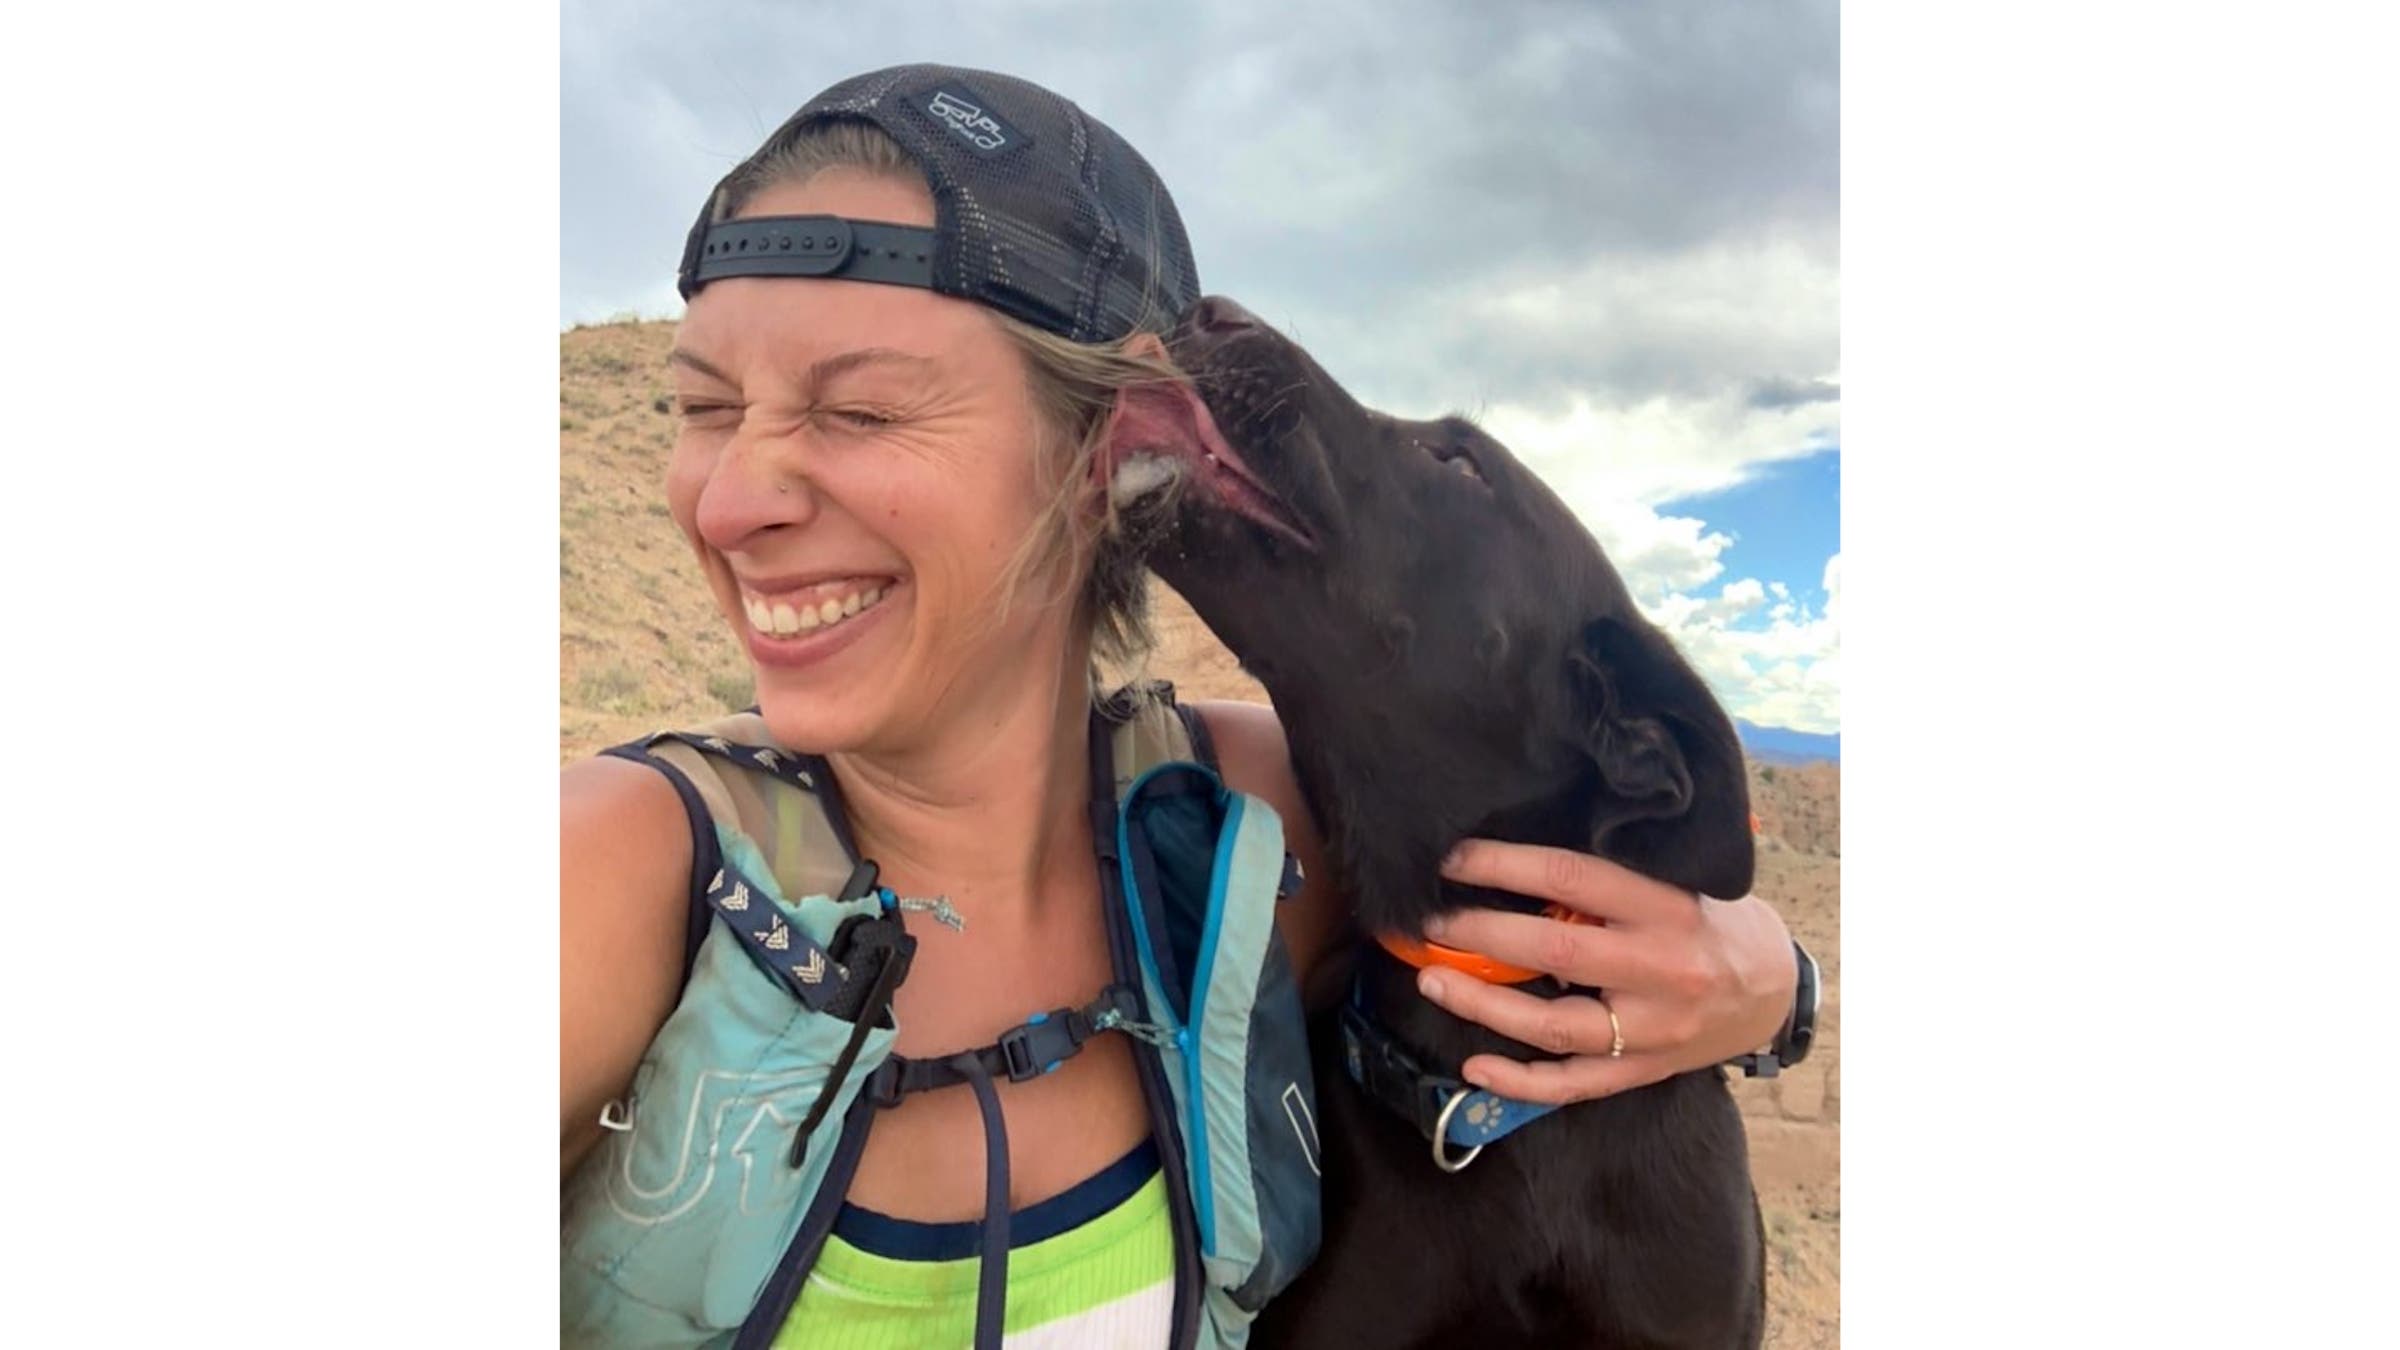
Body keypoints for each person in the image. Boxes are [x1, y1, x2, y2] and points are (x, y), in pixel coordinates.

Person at [561, 64, 1801, 1350]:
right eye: (702, 407)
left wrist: (1776, 986)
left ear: (1111, 437)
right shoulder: (631, 873)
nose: (725, 503)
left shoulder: (1246, 838)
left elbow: (1579, 864)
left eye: (862, 408)